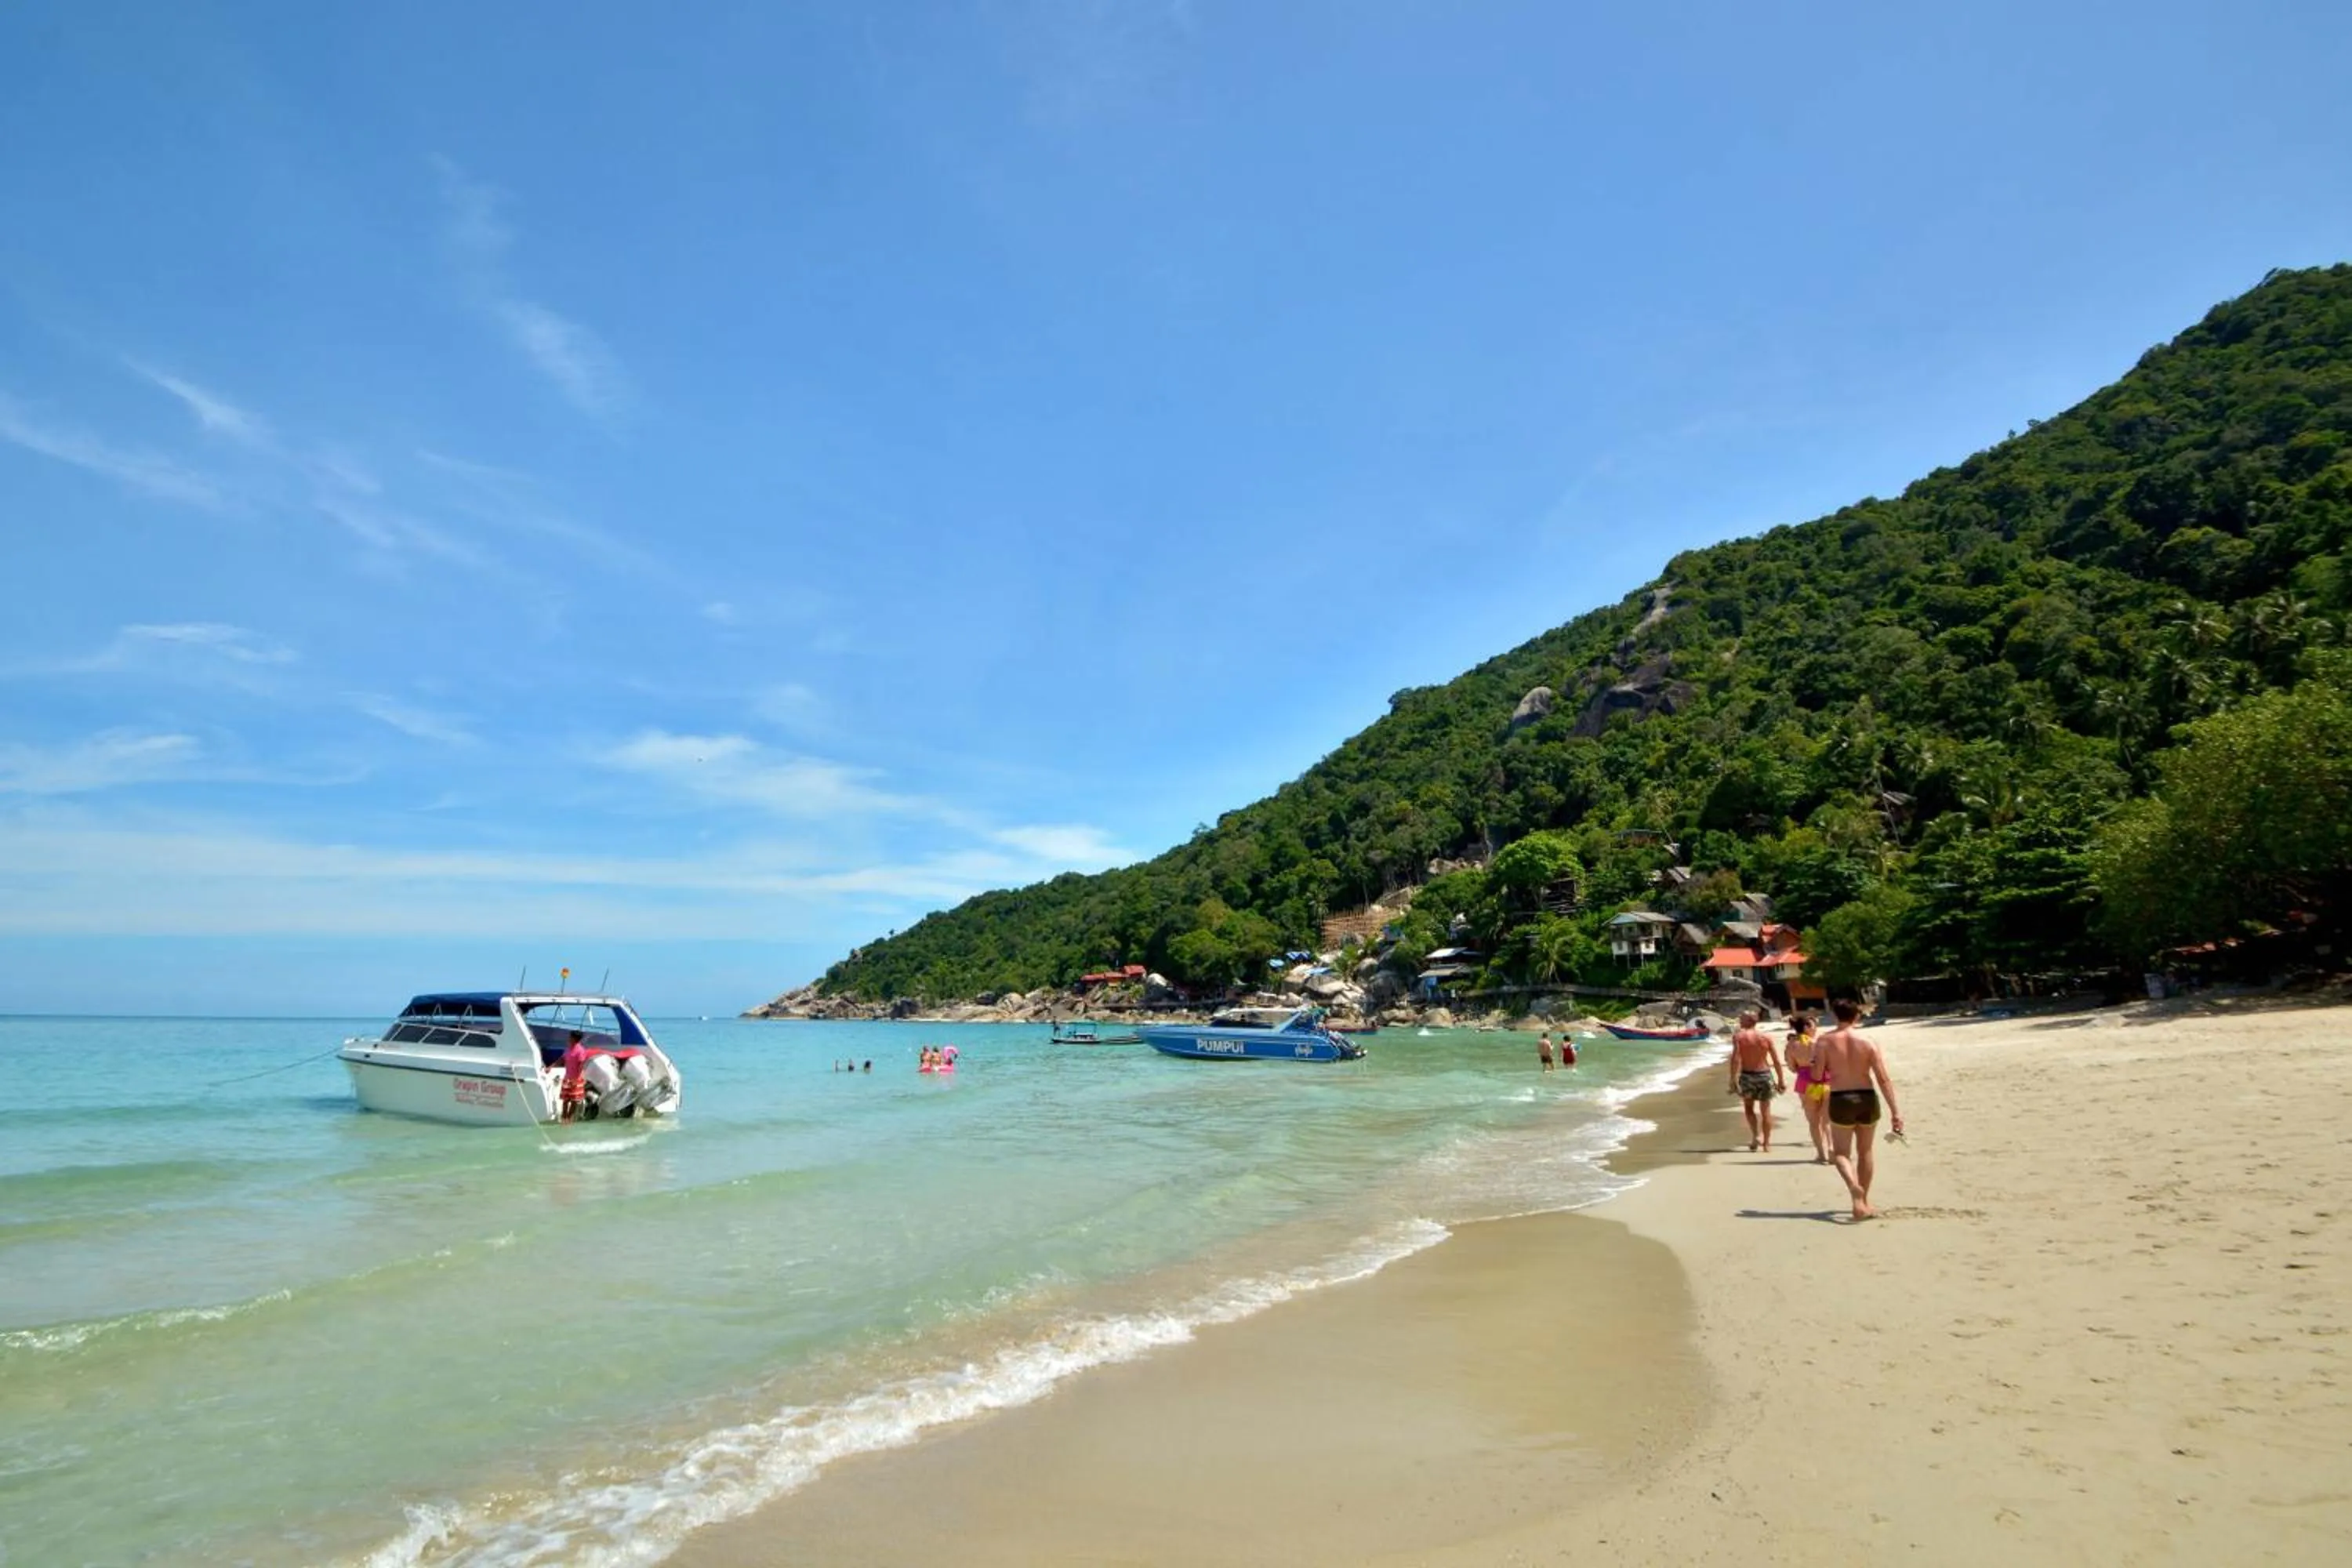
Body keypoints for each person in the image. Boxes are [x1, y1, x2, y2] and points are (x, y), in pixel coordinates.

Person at [1817, 997, 1905, 1221]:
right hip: (1867, 1097)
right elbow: (1883, 1078)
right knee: (1865, 1152)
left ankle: (1854, 1188)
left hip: (1841, 1098)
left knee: (1841, 1154)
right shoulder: (1868, 1041)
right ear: (1857, 1016)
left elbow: (1817, 1076)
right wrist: (1896, 1111)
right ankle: (1863, 1203)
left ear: (1835, 1016)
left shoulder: (1825, 1041)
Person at [1726, 1011, 1784, 1152]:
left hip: (1747, 1076)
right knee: (1766, 1111)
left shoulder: (1739, 1037)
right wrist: (1780, 1080)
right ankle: (1767, 1144)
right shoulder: (1765, 1037)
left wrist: (1733, 1079)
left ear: (1748, 1021)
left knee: (1749, 1109)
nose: (1740, 1019)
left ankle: (1755, 1136)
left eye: (1742, 1018)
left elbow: (1736, 1059)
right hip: (1764, 1075)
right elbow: (1776, 1061)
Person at [1784, 1014, 1830, 1164]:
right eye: (1813, 1025)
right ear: (1806, 1027)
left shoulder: (1791, 1045)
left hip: (1805, 1082)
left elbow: (1791, 1067)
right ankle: (1831, 1149)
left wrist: (1802, 1068)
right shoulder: (1818, 1043)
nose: (1816, 1028)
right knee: (1826, 1120)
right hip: (1824, 1081)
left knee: (1813, 1121)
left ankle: (1821, 1154)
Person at [560, 1030, 590, 1122]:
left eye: (570, 1037)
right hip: (567, 1079)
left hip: (576, 1079)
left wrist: (577, 1080)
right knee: (565, 1101)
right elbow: (562, 1059)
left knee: (574, 1101)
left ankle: (569, 1119)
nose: (569, 1038)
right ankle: (564, 1118)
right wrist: (551, 1067)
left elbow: (582, 1066)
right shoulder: (568, 1049)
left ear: (575, 1039)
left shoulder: (580, 1051)